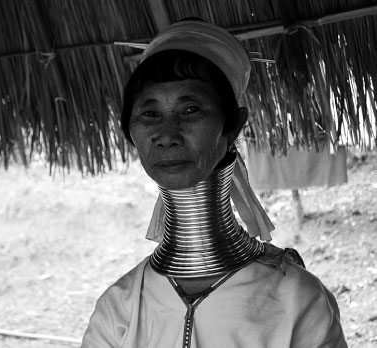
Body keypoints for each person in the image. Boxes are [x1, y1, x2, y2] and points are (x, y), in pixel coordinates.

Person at [81, 19, 346, 348]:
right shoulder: (119, 309)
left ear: (233, 125)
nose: (166, 135)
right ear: (130, 132)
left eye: (190, 109)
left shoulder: (297, 300)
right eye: (149, 114)